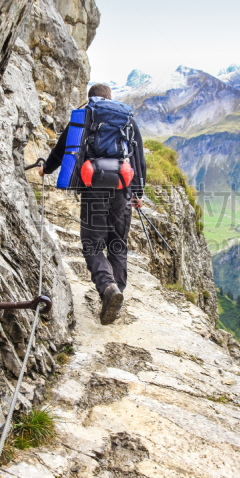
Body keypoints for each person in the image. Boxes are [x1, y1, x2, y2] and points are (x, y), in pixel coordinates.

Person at [39, 84, 146, 324]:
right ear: (110, 98)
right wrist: (138, 192)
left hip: (94, 186)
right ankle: (115, 295)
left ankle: (108, 289)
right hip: (123, 188)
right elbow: (138, 156)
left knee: (91, 243)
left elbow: (63, 148)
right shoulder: (126, 117)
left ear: (90, 98)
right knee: (117, 243)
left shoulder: (86, 114)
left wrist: (46, 169)